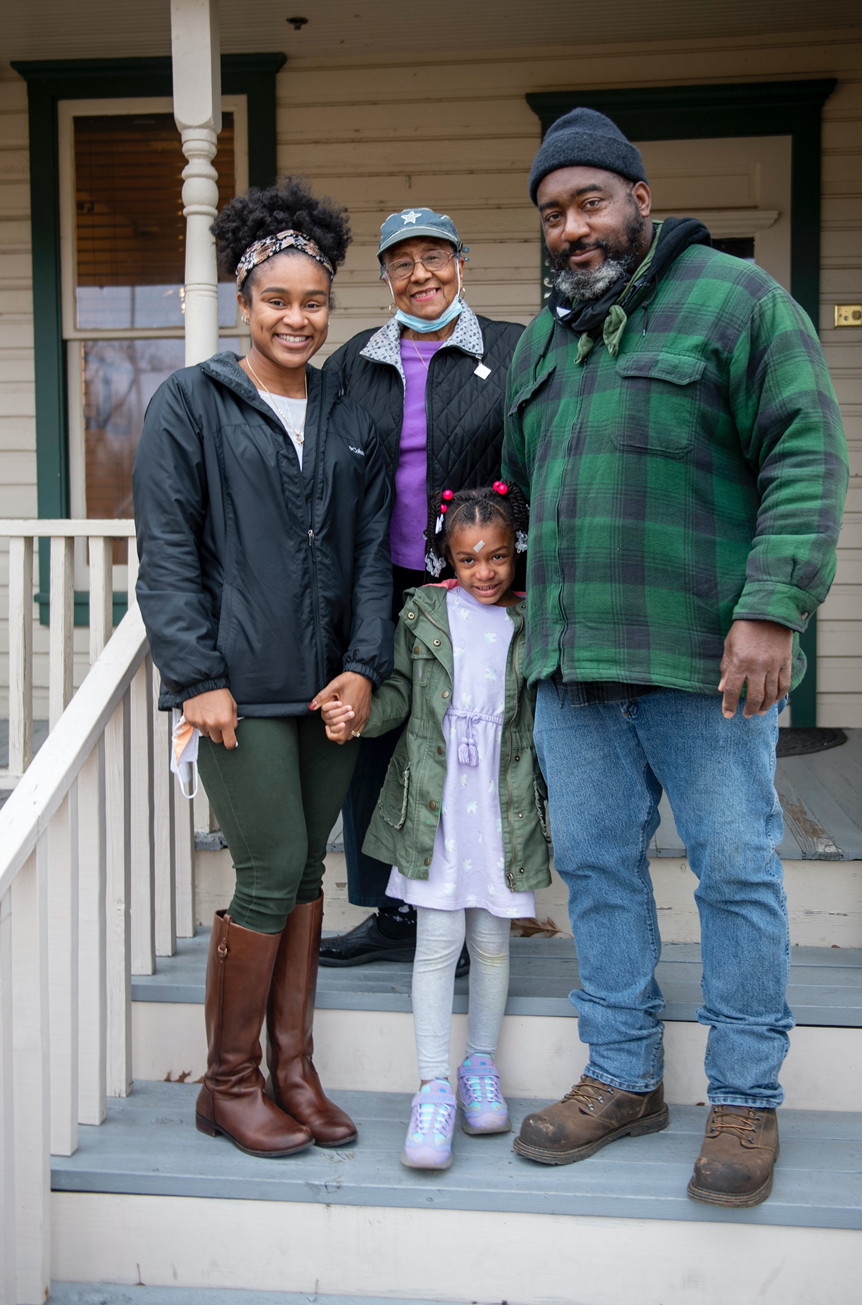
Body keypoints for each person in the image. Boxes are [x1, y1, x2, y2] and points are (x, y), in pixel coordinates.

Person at [502, 109, 849, 1206]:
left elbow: (804, 451)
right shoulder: (542, 340)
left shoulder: (736, 301)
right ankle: (622, 1075)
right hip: (571, 665)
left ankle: (744, 1097)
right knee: (599, 874)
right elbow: (522, 484)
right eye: (552, 213)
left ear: (638, 202)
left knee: (735, 875)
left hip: (708, 661)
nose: (571, 227)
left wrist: (772, 609)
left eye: (589, 202)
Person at [132, 179, 394, 1159]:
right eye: (276, 299)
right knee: (269, 867)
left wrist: (365, 668)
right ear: (244, 303)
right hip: (237, 689)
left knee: (306, 874)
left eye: (313, 300)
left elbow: (372, 551)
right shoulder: (191, 402)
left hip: (328, 687)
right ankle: (226, 1084)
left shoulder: (343, 406)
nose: (296, 317)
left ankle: (293, 1072)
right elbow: (166, 550)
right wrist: (196, 678)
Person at [317, 484, 550, 1171]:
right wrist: (360, 714)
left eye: (499, 556)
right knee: (437, 942)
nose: (486, 571)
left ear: (516, 554)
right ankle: (433, 1088)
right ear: (445, 558)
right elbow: (397, 694)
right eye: (470, 557)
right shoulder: (424, 612)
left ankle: (481, 1066)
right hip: (439, 804)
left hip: (501, 803)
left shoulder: (529, 622)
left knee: (492, 942)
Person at [319, 208, 525, 970]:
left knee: (464, 741)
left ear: (461, 263)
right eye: (402, 263)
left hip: (471, 582)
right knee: (376, 735)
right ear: (385, 278)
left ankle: (465, 906)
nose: (421, 275)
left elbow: (531, 460)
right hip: (381, 580)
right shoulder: (353, 364)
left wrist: (511, 556)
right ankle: (390, 910)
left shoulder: (509, 348)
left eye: (434, 257)